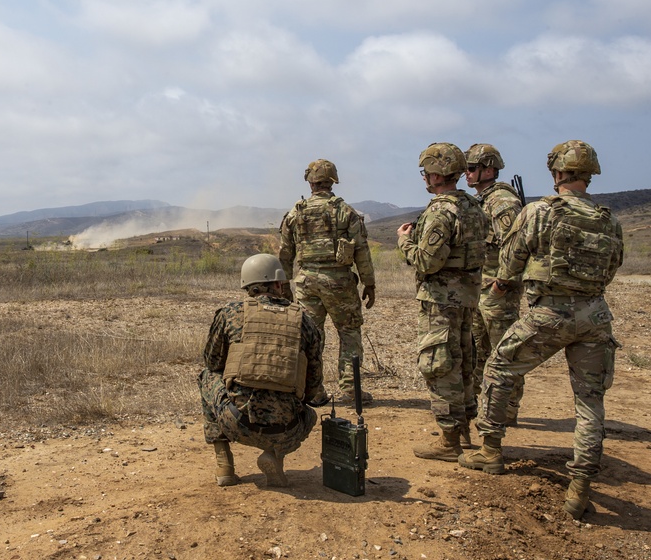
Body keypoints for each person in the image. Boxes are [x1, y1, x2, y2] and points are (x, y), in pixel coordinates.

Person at [459, 140, 623, 520]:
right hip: (596, 316)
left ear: (556, 174)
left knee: (499, 368)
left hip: (550, 312)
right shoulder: (607, 219)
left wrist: (501, 285)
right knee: (590, 403)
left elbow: (512, 257)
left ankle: (490, 451)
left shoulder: (540, 212)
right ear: (589, 174)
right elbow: (613, 266)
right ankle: (579, 488)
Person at [199, 253, 327, 487]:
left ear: (247, 285)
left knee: (207, 376)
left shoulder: (230, 313)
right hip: (288, 431)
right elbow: (313, 384)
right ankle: (275, 456)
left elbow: (212, 361)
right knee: (310, 413)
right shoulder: (306, 321)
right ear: (279, 284)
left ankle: (224, 465)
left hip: (237, 423)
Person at [397, 143, 487, 461]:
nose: (425, 177)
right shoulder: (474, 207)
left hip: (441, 301)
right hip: (467, 299)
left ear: (437, 174)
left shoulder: (440, 210)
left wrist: (405, 241)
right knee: (462, 363)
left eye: (426, 172)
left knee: (439, 366)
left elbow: (427, 262)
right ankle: (461, 431)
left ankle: (450, 441)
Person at [279, 159, 376, 404]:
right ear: (332, 181)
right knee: (349, 333)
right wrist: (369, 283)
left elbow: (285, 254)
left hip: (306, 282)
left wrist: (283, 286)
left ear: (310, 183)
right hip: (340, 283)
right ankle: (352, 391)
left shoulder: (296, 211)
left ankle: (312, 392)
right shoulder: (345, 211)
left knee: (310, 338)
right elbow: (362, 251)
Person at [464, 144, 524, 440]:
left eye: (472, 168)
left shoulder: (501, 201)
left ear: (488, 169)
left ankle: (508, 409)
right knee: (478, 350)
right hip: (481, 288)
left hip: (497, 292)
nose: (467, 174)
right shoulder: (481, 200)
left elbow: (516, 246)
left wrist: (503, 282)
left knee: (505, 351)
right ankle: (484, 406)